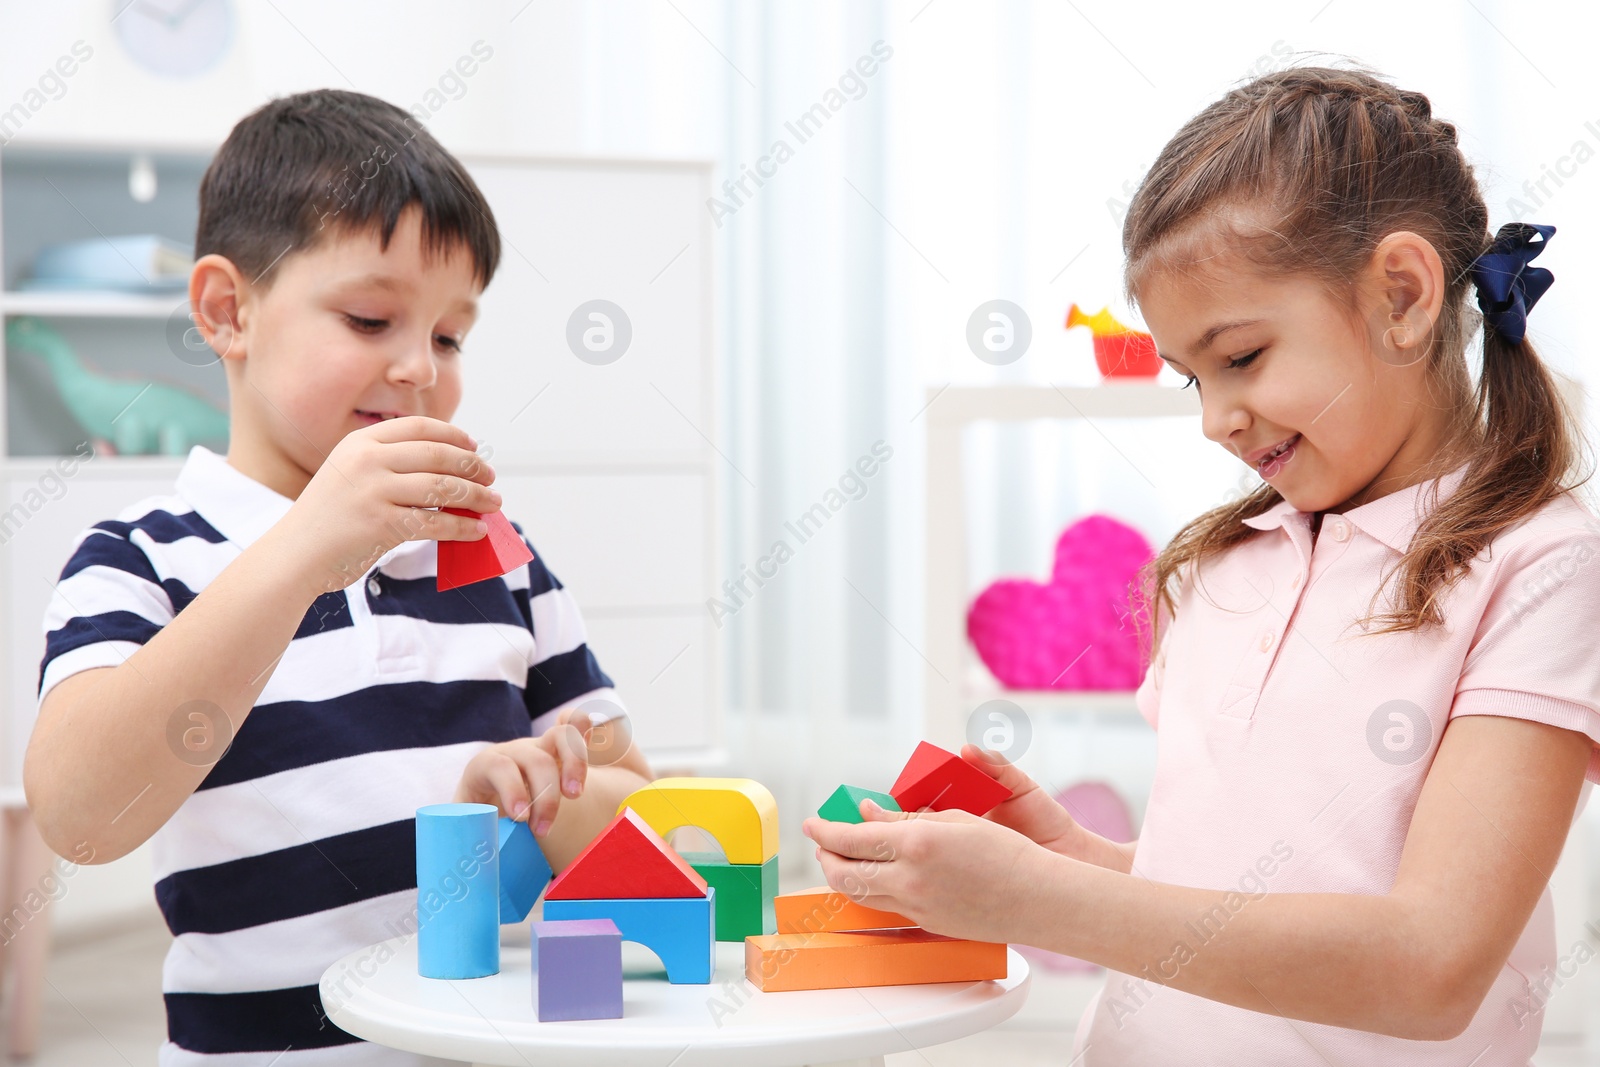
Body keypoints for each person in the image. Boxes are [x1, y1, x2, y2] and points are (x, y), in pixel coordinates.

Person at [806, 66, 1600, 1065]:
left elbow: (1430, 964)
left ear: (1400, 295)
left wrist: (1044, 894)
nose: (1212, 417)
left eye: (1240, 356)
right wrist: (1069, 858)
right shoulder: (1224, 564)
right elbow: (1244, 897)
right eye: (1191, 376)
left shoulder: (1537, 568)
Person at [23, 89, 652, 1065]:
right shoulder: (139, 560)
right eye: (370, 318)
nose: (419, 369)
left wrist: (537, 791)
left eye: (449, 336)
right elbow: (80, 814)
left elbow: (635, 827)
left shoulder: (497, 561)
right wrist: (307, 547)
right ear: (228, 311)